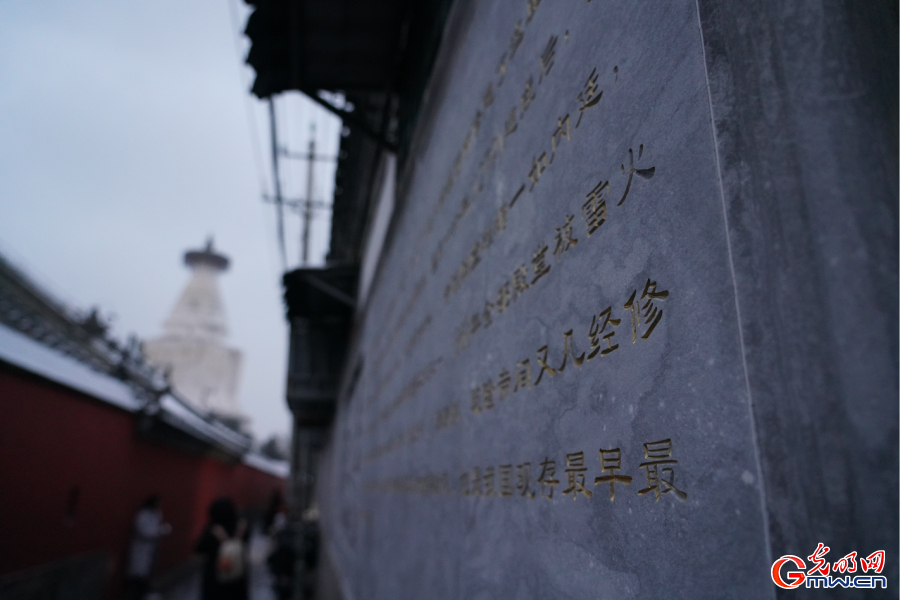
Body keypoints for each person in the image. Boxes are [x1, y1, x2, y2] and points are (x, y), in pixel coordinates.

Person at [195, 496, 249, 600]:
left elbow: (199, 548)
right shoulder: (242, 528)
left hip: (215, 580)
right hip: (238, 579)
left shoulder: (212, 530)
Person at [124, 494, 171, 600]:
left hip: (150, 550)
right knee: (136, 576)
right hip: (141, 549)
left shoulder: (157, 514)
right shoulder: (143, 514)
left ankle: (143, 594)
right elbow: (144, 531)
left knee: (146, 575)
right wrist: (160, 531)